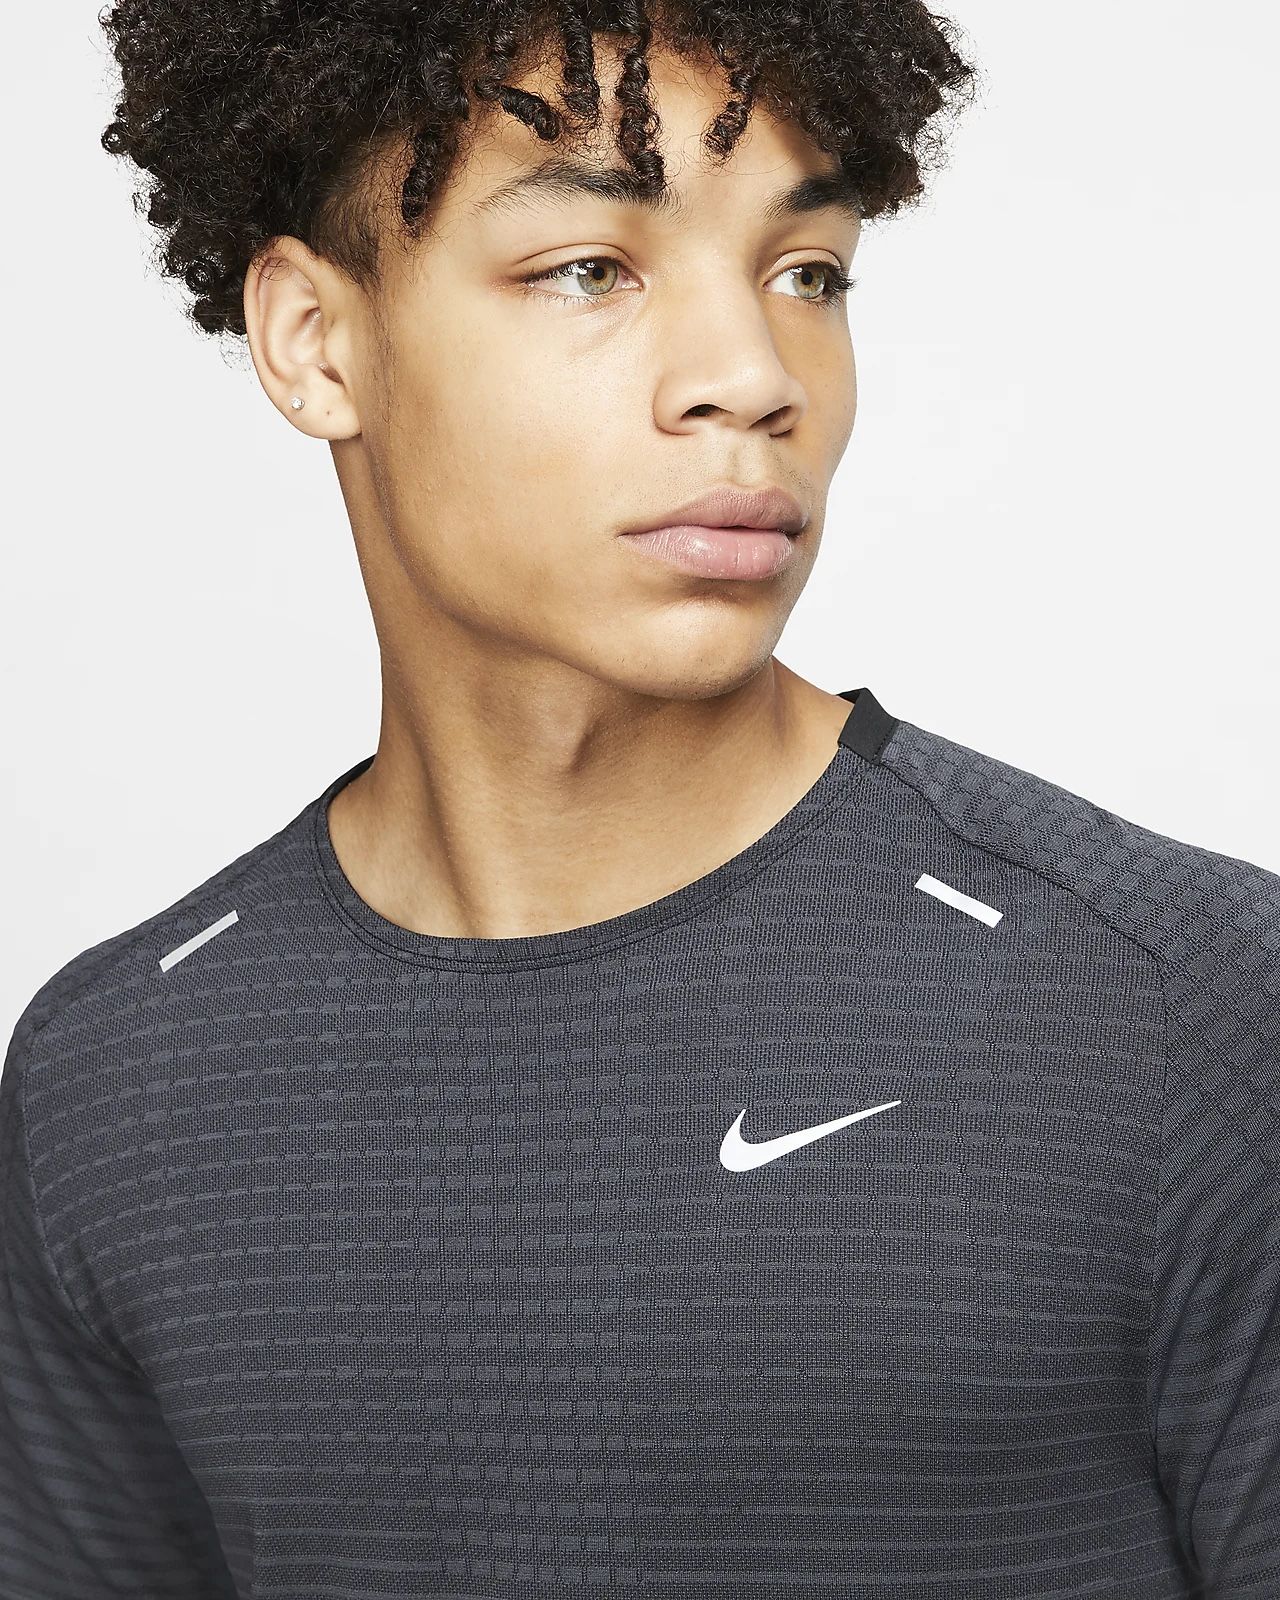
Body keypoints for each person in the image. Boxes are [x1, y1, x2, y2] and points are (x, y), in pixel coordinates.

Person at [2, 1, 1276, 1596]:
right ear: (315, 341)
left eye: (808, 275)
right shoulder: (114, 1077)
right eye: (589, 269)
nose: (752, 376)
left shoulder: (1186, 1007)